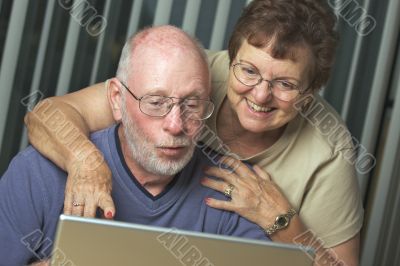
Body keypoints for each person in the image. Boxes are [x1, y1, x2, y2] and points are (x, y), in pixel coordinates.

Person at [25, 0, 364, 265]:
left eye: (285, 84)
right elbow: (47, 116)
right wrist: (86, 160)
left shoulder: (329, 152)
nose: (260, 95)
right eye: (248, 70)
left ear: (311, 92)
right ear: (230, 59)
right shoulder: (191, 73)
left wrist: (282, 222)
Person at [0, 25, 269, 265]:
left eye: (192, 104)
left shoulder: (232, 191)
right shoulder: (36, 175)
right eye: (155, 103)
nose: (176, 125)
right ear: (117, 100)